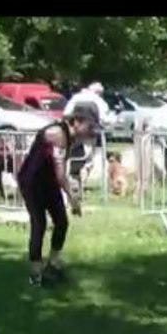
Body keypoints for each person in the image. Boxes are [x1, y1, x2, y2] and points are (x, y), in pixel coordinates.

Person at [15, 104, 100, 286]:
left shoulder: (71, 136)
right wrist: (73, 198)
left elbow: (58, 172)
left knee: (62, 221)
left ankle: (53, 265)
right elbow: (61, 173)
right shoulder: (58, 134)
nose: (91, 132)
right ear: (76, 122)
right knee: (39, 223)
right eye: (89, 127)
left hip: (49, 182)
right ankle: (36, 274)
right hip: (32, 182)